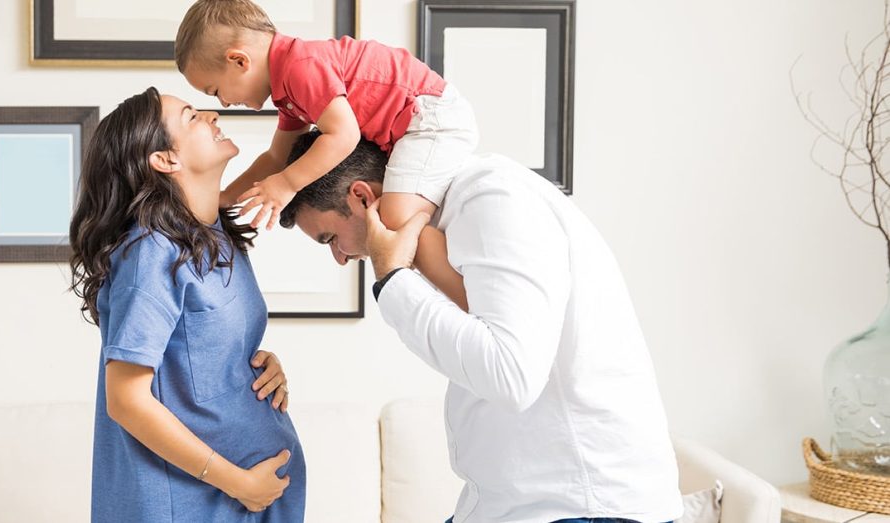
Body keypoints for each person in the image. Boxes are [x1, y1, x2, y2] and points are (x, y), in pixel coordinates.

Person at [279, 131, 683, 523]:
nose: (339, 257)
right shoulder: (457, 217)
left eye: (330, 237)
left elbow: (510, 377)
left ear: (362, 197)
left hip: (580, 504)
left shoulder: (493, 199)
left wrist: (392, 279)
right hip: (515, 503)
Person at [69, 87, 306, 522]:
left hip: (238, 504)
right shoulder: (150, 252)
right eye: (193, 116)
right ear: (165, 159)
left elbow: (195, 355)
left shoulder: (215, 236)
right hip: (186, 504)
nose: (213, 115)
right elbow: (125, 399)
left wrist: (254, 365)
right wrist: (239, 483)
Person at [174, 0, 477, 311]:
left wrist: (287, 184)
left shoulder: (300, 67)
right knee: (400, 220)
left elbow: (344, 135)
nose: (222, 103)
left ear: (238, 60)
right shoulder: (289, 88)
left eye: (214, 91)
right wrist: (225, 197)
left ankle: (475, 304)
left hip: (429, 117)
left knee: (395, 221)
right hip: (416, 124)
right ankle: (467, 294)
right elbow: (277, 157)